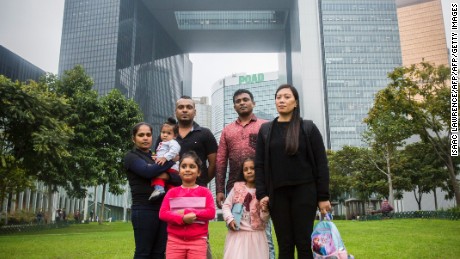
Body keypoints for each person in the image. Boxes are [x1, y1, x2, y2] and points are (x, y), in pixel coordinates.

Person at [255, 84, 332, 259]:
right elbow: (259, 164)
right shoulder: (266, 130)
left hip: (305, 192)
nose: (282, 100)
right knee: (285, 244)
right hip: (277, 194)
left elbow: (321, 164)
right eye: (278, 97)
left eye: (287, 97)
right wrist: (262, 194)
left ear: (296, 102)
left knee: (304, 243)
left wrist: (323, 197)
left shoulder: (308, 128)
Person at [215, 89, 275, 258]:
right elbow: (220, 160)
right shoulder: (227, 130)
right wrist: (220, 189)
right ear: (234, 106)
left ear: (253, 103)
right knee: (236, 229)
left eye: (245, 99)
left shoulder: (265, 126)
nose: (242, 102)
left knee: (264, 232)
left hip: (260, 188)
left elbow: (272, 156)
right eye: (238, 101)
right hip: (235, 189)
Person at [124, 122, 182, 258]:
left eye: (148, 135)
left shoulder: (155, 157)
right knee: (143, 252)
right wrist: (171, 160)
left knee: (159, 253)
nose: (145, 138)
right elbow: (147, 172)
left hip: (163, 210)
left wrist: (166, 174)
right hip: (144, 209)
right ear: (134, 138)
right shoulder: (131, 157)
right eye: (141, 135)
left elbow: (179, 179)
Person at [174, 96, 217, 259]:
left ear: (195, 111)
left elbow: (213, 164)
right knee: (173, 232)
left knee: (200, 235)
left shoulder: (205, 134)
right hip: (173, 191)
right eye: (181, 107)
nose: (185, 110)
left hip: (197, 193)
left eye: (189, 107)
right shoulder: (168, 133)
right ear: (176, 111)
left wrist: (202, 182)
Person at [159, 151, 216, 259]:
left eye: (192, 166)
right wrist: (182, 219)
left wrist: (187, 212)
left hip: (198, 241)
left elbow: (211, 213)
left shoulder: (205, 192)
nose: (188, 169)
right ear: (179, 171)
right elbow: (163, 213)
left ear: (199, 172)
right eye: (184, 166)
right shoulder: (172, 192)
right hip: (174, 241)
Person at [222, 157, 270, 259]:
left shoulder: (263, 192)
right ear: (242, 172)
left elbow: (265, 219)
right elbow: (226, 205)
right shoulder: (237, 188)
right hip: (238, 235)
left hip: (256, 236)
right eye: (246, 169)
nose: (249, 171)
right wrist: (230, 219)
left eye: (252, 168)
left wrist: (265, 210)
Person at [149, 117, 181, 201]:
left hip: (170, 167)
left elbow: (175, 150)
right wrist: (156, 158)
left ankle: (159, 189)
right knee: (169, 184)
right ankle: (172, 194)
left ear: (175, 136)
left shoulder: (173, 142)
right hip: (168, 167)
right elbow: (161, 155)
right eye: (163, 132)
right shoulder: (163, 143)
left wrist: (165, 158)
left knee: (157, 177)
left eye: (168, 133)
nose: (165, 135)